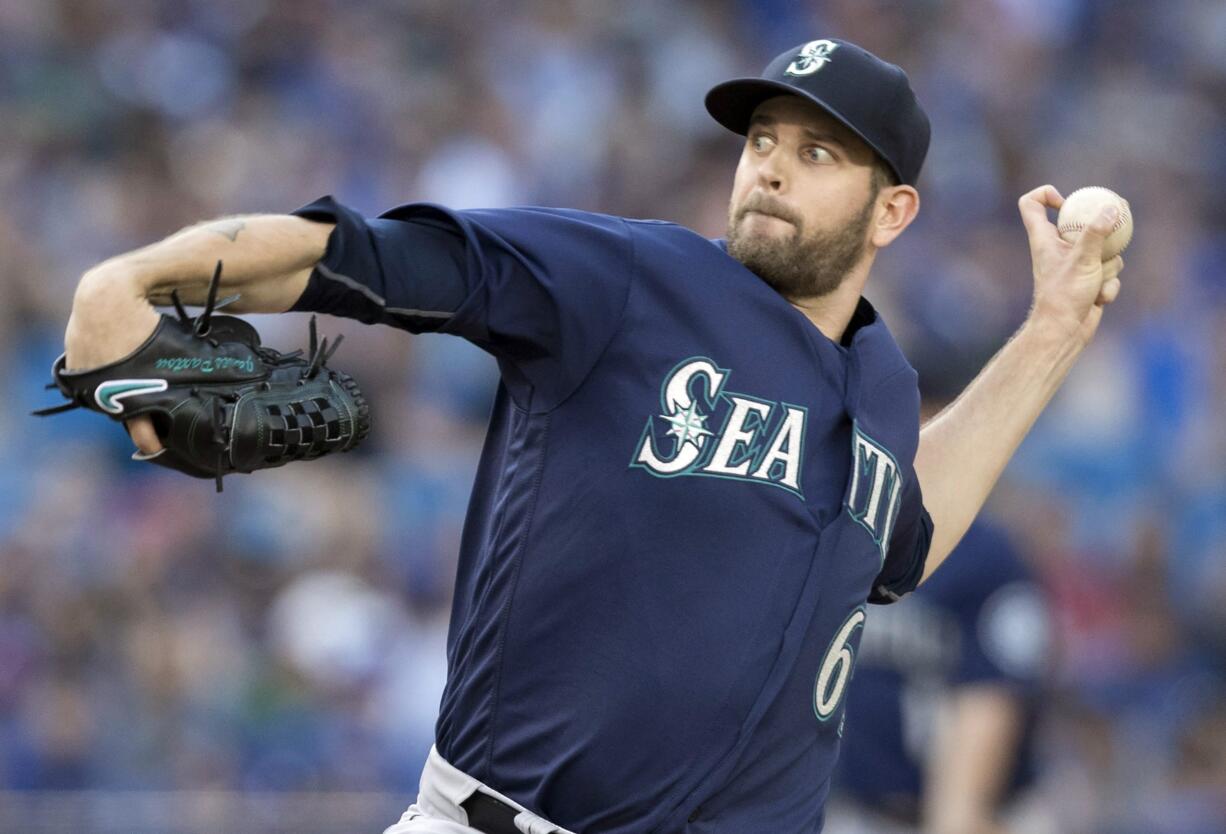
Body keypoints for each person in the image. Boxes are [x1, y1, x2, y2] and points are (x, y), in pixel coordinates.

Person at [60, 37, 1123, 834]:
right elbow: (374, 260)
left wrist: (1053, 330)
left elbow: (899, 547)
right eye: (758, 140)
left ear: (890, 213)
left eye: (815, 151)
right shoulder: (629, 279)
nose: (768, 167)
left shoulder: (883, 385)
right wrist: (141, 278)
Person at [825, 504, 1052, 834]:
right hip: (855, 812)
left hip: (985, 815)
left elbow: (990, 703)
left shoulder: (988, 556)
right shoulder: (840, 534)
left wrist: (956, 818)